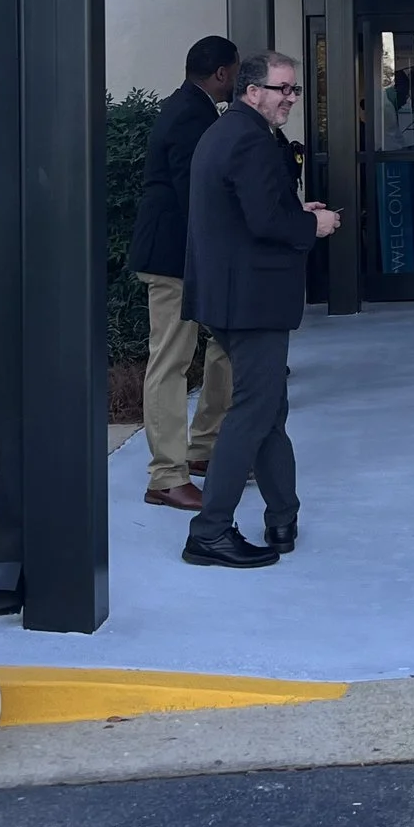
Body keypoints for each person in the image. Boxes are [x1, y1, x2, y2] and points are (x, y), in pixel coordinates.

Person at [179, 51, 343, 567]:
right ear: (252, 91)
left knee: (269, 408)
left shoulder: (231, 133)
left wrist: (295, 211)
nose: (290, 98)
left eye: (294, 90)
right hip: (250, 301)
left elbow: (251, 210)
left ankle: (282, 518)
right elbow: (263, 223)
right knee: (254, 410)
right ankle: (209, 532)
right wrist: (311, 226)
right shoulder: (250, 139)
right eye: (282, 89)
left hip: (233, 296)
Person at [128, 35, 238, 512]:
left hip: (193, 255)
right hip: (173, 258)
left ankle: (204, 450)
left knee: (225, 346)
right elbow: (195, 190)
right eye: (235, 72)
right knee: (171, 362)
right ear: (221, 73)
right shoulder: (189, 114)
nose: (236, 80)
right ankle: (166, 476)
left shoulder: (192, 107)